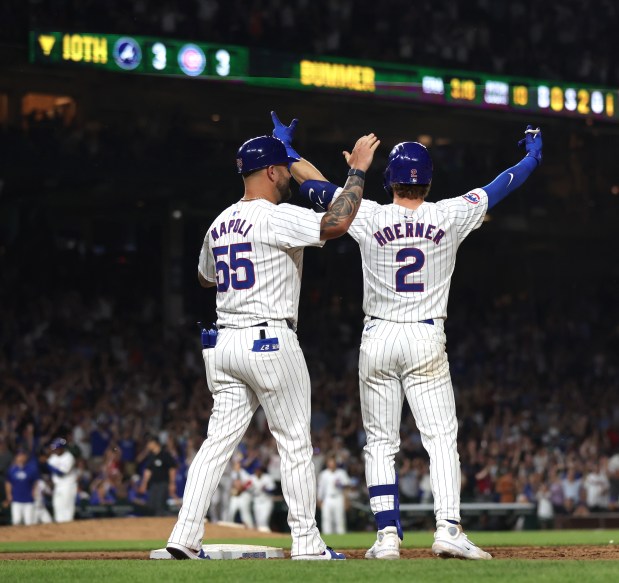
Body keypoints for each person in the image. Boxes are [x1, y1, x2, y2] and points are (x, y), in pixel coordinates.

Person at [281, 118, 543, 560]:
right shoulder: (449, 213)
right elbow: (502, 185)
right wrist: (532, 156)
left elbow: (316, 189)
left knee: (381, 443)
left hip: (378, 336)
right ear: (429, 179)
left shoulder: (368, 213)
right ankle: (448, 529)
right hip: (424, 337)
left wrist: (287, 152)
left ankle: (386, 537)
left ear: (389, 180)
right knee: (440, 438)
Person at [165, 116, 379, 560]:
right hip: (268, 340)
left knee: (216, 443)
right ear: (271, 172)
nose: (287, 176)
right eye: (284, 168)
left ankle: (183, 537)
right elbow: (338, 222)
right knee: (295, 442)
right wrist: (357, 172)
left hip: (223, 345)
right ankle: (306, 542)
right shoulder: (275, 216)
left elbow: (205, 278)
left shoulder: (219, 222)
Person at [139, 436, 178, 516]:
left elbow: (172, 469)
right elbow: (148, 471)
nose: (148, 445)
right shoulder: (151, 456)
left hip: (163, 484)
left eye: (149, 443)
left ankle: (163, 523)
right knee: (151, 506)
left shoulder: (165, 455)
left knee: (159, 506)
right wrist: (144, 483)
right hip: (153, 484)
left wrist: (172, 483)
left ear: (155, 443)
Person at [4, 449, 39, 526]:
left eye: (22, 456)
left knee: (29, 522)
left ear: (26, 457)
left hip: (29, 500)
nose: (21, 458)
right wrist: (9, 495)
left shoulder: (31, 469)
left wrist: (35, 493)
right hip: (16, 499)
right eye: (19, 456)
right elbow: (8, 483)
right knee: (16, 521)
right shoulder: (12, 470)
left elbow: (35, 483)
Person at [47, 438, 78, 522]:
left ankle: (68, 527)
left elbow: (61, 473)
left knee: (67, 507)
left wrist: (48, 465)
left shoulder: (69, 457)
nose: (55, 450)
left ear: (62, 448)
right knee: (57, 505)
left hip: (68, 485)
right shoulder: (53, 457)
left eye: (57, 448)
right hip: (58, 486)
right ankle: (59, 527)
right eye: (54, 448)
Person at [317, 456, 351, 534]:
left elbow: (347, 486)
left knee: (339, 518)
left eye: (333, 463)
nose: (331, 464)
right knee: (326, 519)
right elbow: (320, 488)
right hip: (327, 498)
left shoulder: (341, 473)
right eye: (330, 463)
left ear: (336, 464)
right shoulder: (323, 474)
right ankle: (327, 537)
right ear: (327, 464)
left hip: (338, 497)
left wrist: (346, 500)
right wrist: (319, 499)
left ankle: (341, 537)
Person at [249, 465, 277, 532]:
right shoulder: (251, 478)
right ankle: (260, 538)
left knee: (264, 521)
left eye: (259, 470)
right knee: (258, 522)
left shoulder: (267, 478)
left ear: (261, 471)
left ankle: (267, 536)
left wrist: (265, 489)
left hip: (266, 502)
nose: (258, 472)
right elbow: (246, 488)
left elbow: (273, 490)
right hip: (256, 502)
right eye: (256, 470)